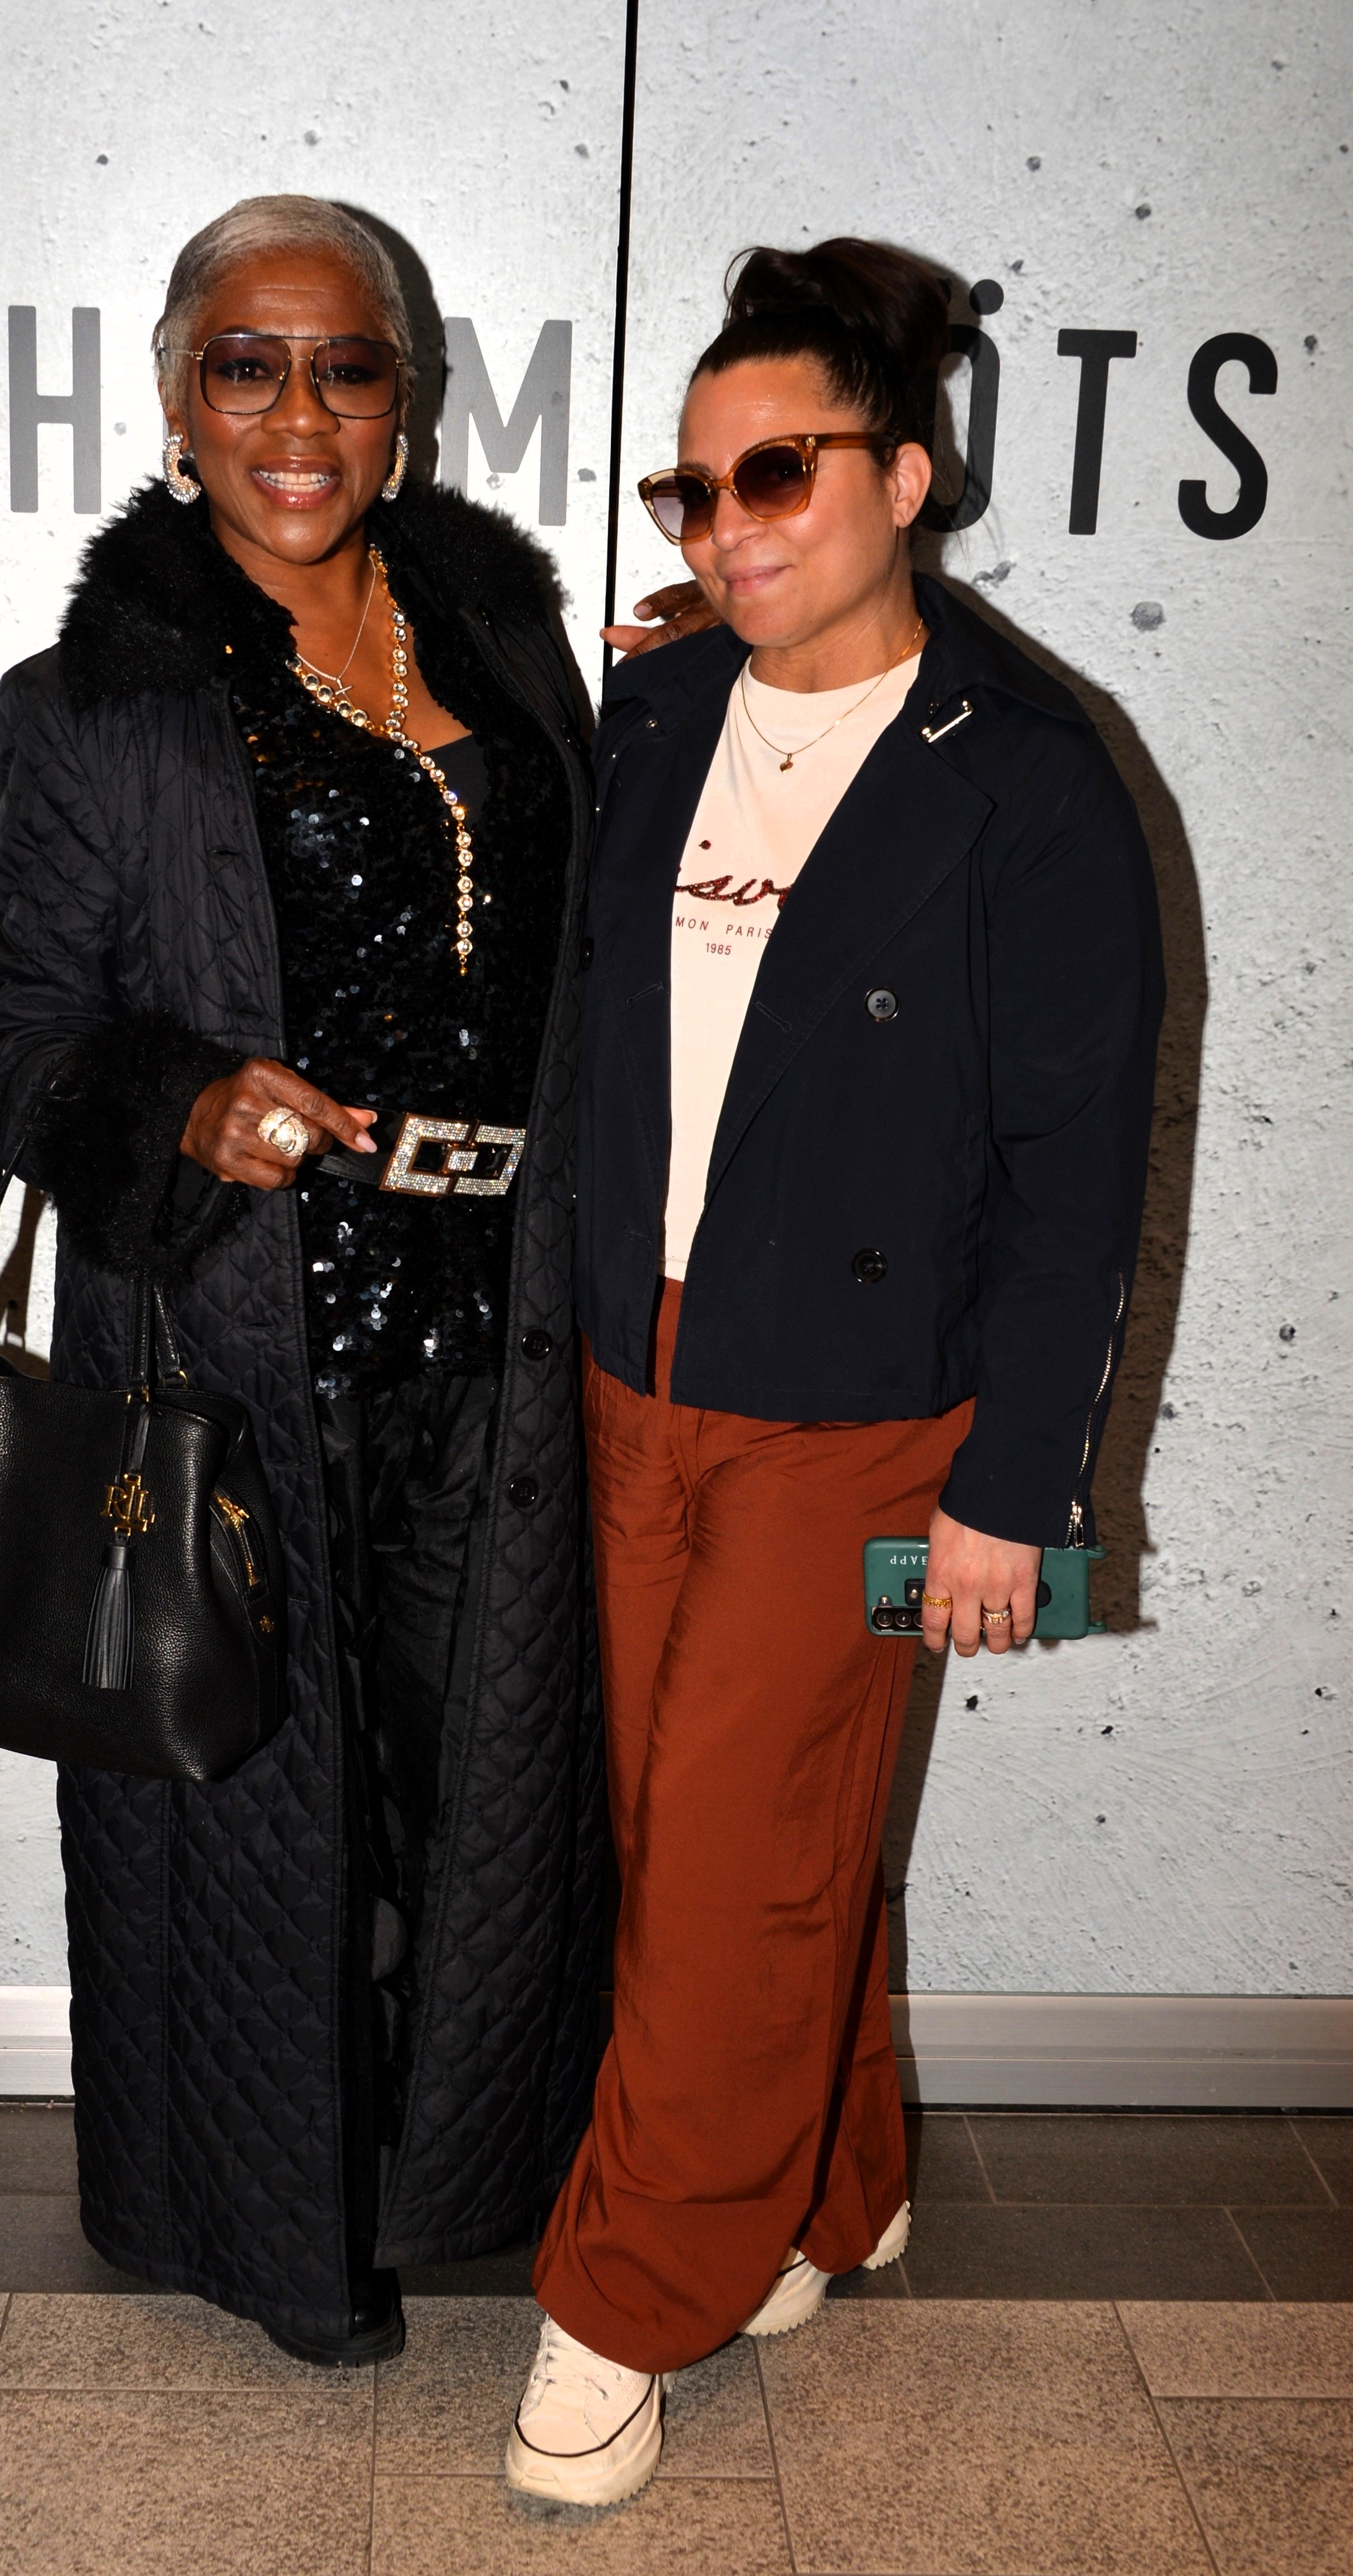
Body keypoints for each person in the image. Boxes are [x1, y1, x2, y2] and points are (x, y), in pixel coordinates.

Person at [505, 238, 1164, 2503]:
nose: (724, 525)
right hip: (637, 1381)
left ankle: (632, 2291)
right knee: (713, 1828)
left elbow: (1075, 1180)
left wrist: (1014, 1498)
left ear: (906, 474)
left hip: (874, 1430)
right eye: (689, 490)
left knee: (722, 1866)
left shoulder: (1033, 785)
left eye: (774, 473)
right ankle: (833, 2175)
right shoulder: (660, 714)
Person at [0, 195, 606, 2366]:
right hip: (242, 1332)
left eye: (347, 366)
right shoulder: (98, 706)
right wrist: (181, 1100)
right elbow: (23, 1038)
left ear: (405, 404)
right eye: (248, 366)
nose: (299, 413)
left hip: (499, 1331)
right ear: (179, 399)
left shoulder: (509, 654)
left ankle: (464, 2180)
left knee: (484, 1777)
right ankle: (263, 2225)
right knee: (255, 1811)